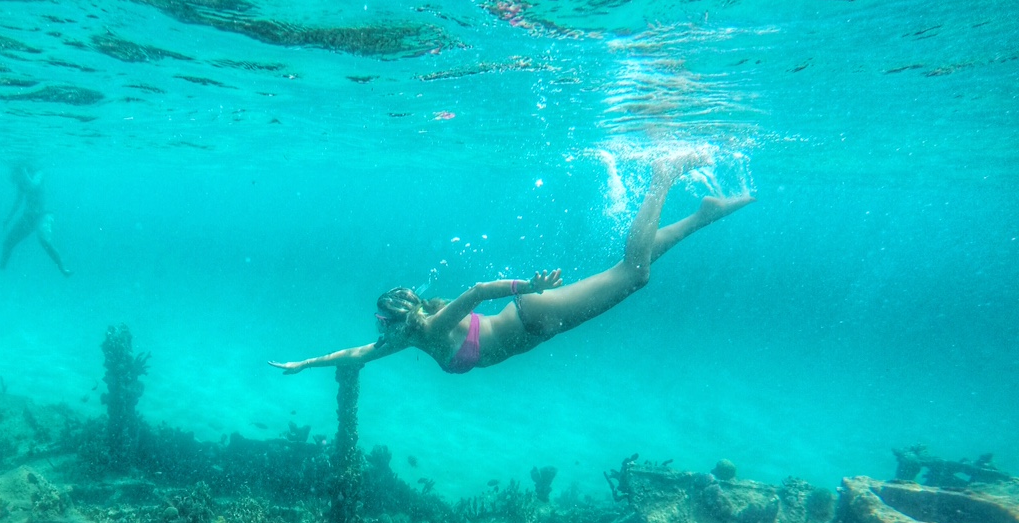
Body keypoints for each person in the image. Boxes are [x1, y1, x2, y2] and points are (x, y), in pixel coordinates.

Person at [270, 155, 754, 376]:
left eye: (382, 325)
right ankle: (702, 216)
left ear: (401, 321)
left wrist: (529, 284)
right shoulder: (410, 337)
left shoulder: (434, 326)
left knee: (634, 273)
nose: (378, 335)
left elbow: (479, 291)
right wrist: (303, 364)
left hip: (534, 315)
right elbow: (356, 354)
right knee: (628, 274)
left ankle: (663, 175)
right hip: (533, 319)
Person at [0, 162, 72, 276]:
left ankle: (62, 268)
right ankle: (2, 264)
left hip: (43, 215)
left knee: (44, 241)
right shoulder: (21, 180)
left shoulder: (39, 173)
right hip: (28, 216)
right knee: (8, 242)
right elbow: (18, 201)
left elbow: (33, 185)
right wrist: (8, 218)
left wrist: (23, 170)